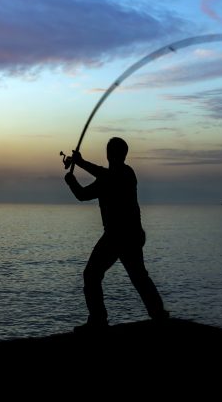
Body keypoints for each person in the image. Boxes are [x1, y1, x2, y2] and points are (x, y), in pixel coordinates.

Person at [63, 137, 169, 332]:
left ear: (109, 154)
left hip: (116, 237)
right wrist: (79, 166)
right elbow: (86, 192)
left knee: (92, 275)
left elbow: (83, 193)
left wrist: (73, 176)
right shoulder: (127, 173)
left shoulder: (112, 177)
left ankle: (98, 321)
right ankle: (159, 315)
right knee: (139, 277)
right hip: (132, 235)